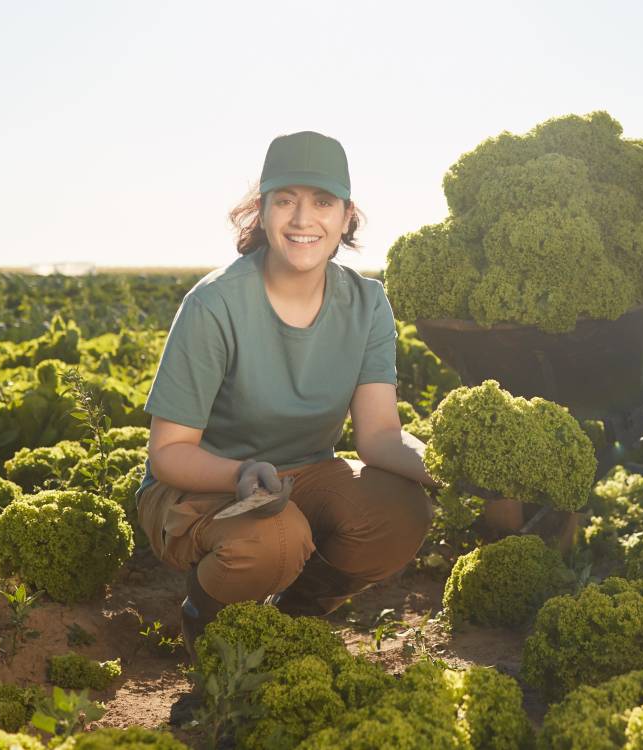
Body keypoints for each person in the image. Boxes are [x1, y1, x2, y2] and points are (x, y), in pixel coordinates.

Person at [135, 130, 436, 655]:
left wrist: (444, 466)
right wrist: (238, 473)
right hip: (203, 484)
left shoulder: (367, 304)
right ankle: (209, 630)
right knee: (274, 539)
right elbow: (169, 454)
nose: (303, 220)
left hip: (305, 475)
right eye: (286, 201)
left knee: (400, 512)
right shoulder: (215, 305)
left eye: (322, 202)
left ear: (346, 217)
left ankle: (295, 619)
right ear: (261, 211)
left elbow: (381, 436)